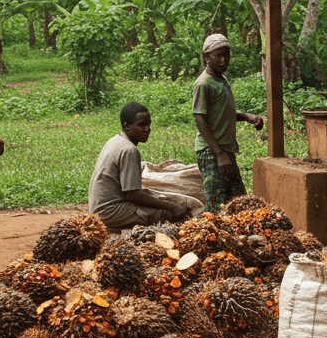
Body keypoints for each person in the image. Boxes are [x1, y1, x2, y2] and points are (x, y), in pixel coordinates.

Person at [91, 102, 203, 232]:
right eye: (142, 125)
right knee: (166, 214)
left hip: (99, 207)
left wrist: (168, 201)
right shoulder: (129, 150)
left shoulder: (115, 140)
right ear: (127, 126)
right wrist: (172, 207)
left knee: (184, 201)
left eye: (149, 124)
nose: (147, 129)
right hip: (111, 212)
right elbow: (133, 195)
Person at [192, 33, 263, 213]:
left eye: (226, 55)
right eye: (218, 55)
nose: (223, 60)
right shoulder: (203, 84)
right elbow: (200, 119)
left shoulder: (222, 80)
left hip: (225, 150)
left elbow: (223, 113)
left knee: (238, 201)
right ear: (207, 58)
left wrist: (246, 117)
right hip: (211, 151)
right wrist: (219, 154)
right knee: (216, 205)